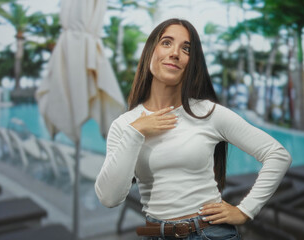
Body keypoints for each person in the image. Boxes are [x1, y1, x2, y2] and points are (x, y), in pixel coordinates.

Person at [95, 18, 292, 240]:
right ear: (150, 51)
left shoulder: (207, 113)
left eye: (186, 49)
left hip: (209, 234)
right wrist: (135, 132)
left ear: (192, 62)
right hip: (154, 234)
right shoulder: (125, 125)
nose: (175, 53)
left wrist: (246, 210)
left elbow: (277, 154)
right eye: (166, 43)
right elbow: (109, 198)